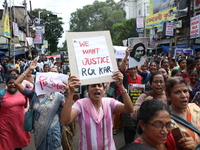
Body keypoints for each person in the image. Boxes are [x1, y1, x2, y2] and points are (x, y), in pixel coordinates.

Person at [61, 71, 134, 149]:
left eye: (99, 85)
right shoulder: (80, 104)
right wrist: (70, 93)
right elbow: (65, 121)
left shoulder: (109, 102)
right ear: (88, 91)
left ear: (103, 89)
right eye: (93, 86)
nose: (97, 88)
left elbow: (129, 109)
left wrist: (121, 86)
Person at [14, 59, 65, 150]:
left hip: (54, 133)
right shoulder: (34, 95)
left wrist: (70, 93)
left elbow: (68, 109)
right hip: (38, 133)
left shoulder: (59, 96)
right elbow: (17, 83)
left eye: (55, 74)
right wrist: (29, 69)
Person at [165, 77, 200, 148]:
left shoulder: (194, 108)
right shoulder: (166, 119)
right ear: (168, 96)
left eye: (185, 91)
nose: (184, 96)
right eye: (177, 92)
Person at [0, 75, 30, 150]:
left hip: (19, 125)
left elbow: (25, 106)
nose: (12, 84)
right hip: (5, 126)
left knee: (18, 145)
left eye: (14, 83)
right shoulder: (1, 94)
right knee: (6, 145)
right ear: (6, 85)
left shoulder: (23, 93)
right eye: (10, 83)